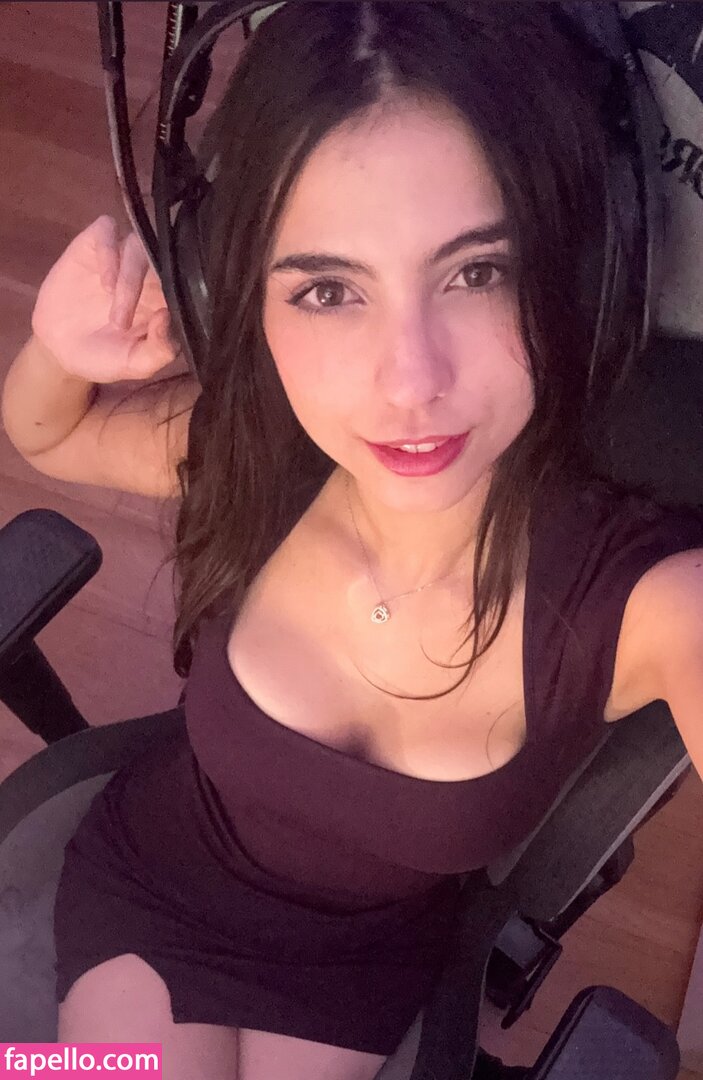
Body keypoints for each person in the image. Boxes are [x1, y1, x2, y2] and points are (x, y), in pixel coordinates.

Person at [2, 3, 703, 1078]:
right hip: (153, 892)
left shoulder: (644, 601)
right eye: (328, 291)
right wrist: (61, 348)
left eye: (478, 271)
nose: (408, 383)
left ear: (579, 270)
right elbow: (50, 431)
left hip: (362, 968)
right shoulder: (259, 451)